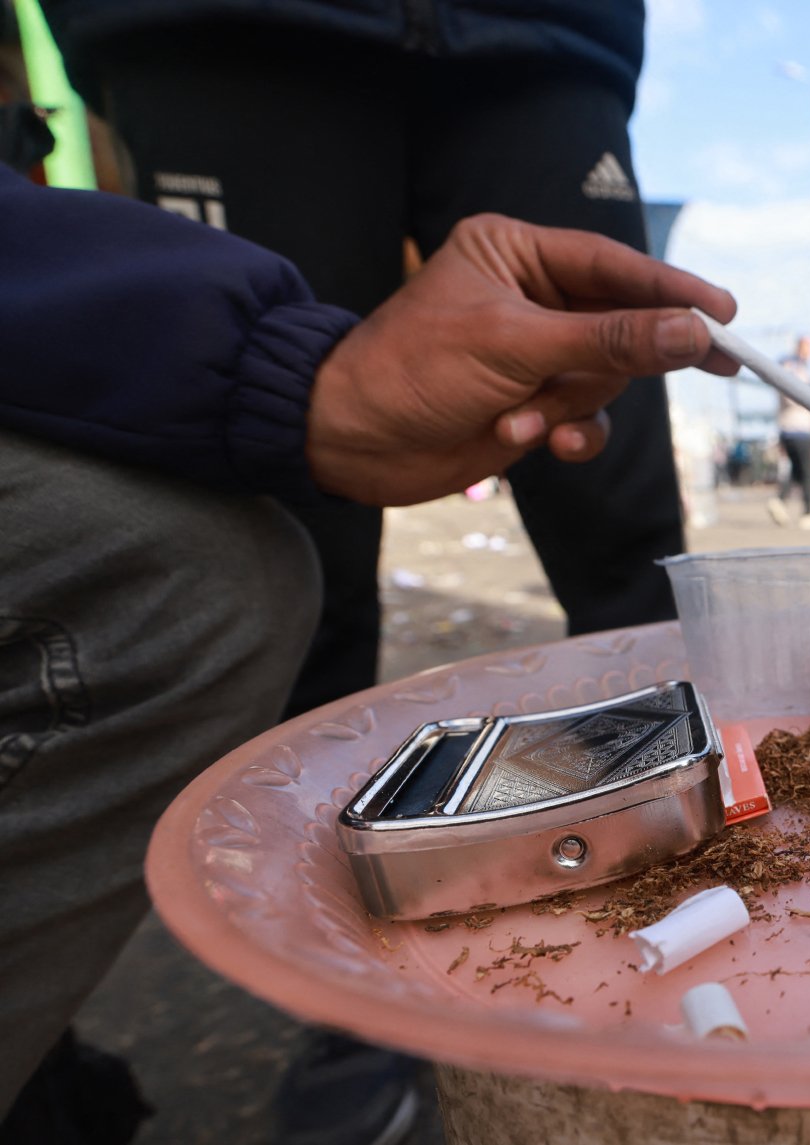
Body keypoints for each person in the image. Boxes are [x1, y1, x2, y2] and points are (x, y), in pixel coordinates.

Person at [0, 165, 735, 1138]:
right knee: (243, 572)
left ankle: (678, 861)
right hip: (222, 66)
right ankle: (350, 995)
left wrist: (289, 372)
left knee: (619, 543)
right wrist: (294, 374)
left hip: (552, 43)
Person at [39, 0, 688, 722]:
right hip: (217, 34)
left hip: (552, 38)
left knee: (625, 521)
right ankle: (286, 819)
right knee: (290, 559)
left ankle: (681, 776)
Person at [768, 335, 810, 530]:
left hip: (792, 428)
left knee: (797, 470)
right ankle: (809, 513)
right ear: (800, 348)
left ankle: (780, 500)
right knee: (807, 471)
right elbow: (792, 397)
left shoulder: (797, 368)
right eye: (807, 348)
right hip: (796, 428)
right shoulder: (791, 368)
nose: (809, 353)